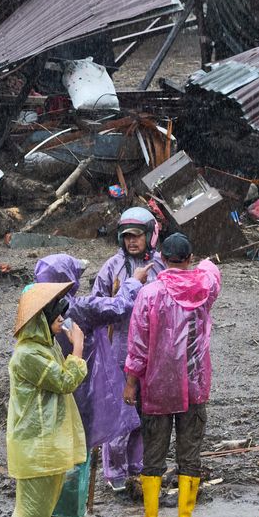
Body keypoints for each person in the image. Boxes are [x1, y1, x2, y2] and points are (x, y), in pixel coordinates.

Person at [33, 253, 152, 517]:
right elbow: (120, 306)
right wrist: (134, 283)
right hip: (79, 392)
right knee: (78, 454)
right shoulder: (79, 310)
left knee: (54, 453)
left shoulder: (34, 313)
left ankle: (49, 515)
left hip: (44, 393)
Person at [124, 233, 221, 517]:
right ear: (189, 258)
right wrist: (201, 262)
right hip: (195, 384)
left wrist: (131, 384)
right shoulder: (205, 288)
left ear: (161, 259)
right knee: (189, 451)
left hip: (157, 385)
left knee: (154, 451)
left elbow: (137, 345)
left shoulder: (149, 293)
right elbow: (211, 269)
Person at [7, 282, 88, 517]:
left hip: (42, 442)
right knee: (37, 510)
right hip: (36, 445)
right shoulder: (29, 355)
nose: (61, 324)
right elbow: (66, 381)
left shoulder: (44, 346)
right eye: (56, 318)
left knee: (28, 505)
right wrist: (78, 349)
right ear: (41, 319)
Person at [92, 207, 165, 490]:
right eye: (127, 237)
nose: (132, 242)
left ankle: (138, 467)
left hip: (153, 351)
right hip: (119, 349)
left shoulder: (161, 266)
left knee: (145, 414)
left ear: (150, 236)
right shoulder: (112, 267)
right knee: (120, 415)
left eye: (137, 236)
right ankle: (116, 474)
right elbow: (97, 304)